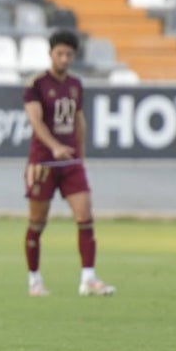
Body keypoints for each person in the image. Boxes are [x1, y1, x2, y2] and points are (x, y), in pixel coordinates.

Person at [23, 29, 115, 297]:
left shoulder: (75, 84)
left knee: (85, 217)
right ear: (51, 53)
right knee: (37, 222)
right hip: (43, 164)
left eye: (69, 54)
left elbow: (79, 120)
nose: (64, 59)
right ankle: (34, 281)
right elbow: (35, 120)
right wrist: (54, 147)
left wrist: (80, 155)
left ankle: (88, 278)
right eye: (60, 53)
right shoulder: (36, 84)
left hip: (72, 162)